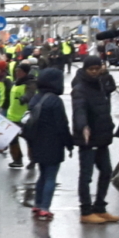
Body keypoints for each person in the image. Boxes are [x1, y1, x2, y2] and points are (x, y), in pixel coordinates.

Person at [72, 55, 119, 224]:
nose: (94, 72)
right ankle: (86, 211)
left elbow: (110, 92)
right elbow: (79, 109)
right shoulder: (80, 88)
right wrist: (83, 126)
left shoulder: (101, 82)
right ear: (85, 69)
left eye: (96, 68)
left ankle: (100, 207)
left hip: (102, 137)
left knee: (107, 171)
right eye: (91, 69)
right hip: (89, 138)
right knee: (86, 176)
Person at [26, 67, 74, 222]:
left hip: (36, 143)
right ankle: (45, 208)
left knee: (42, 174)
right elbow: (62, 125)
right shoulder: (55, 101)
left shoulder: (35, 98)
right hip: (53, 143)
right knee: (51, 176)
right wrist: (69, 143)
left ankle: (37, 204)